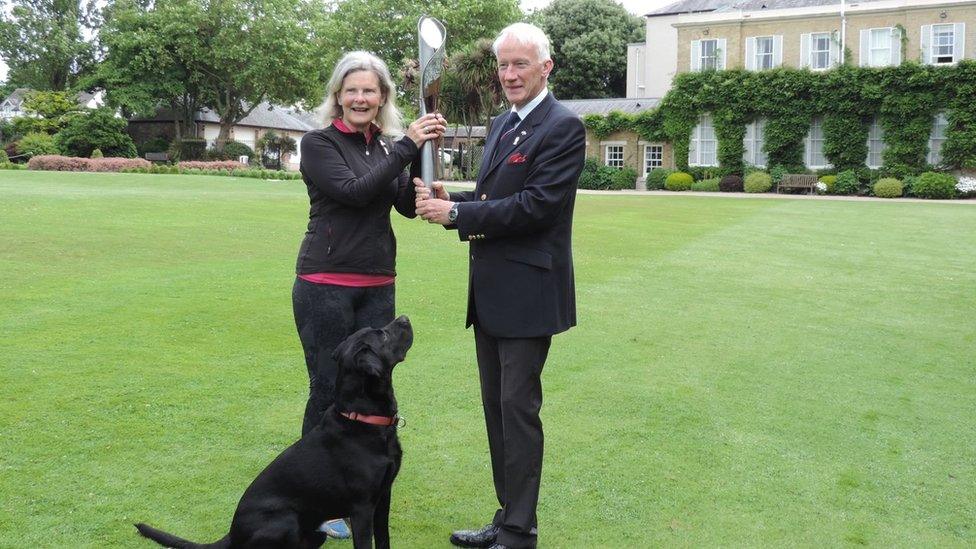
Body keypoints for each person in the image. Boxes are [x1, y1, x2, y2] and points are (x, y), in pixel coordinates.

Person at [414, 23, 586, 549]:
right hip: (490, 294)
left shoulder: (563, 127)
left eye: (520, 65)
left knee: (517, 409)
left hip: (529, 295)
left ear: (545, 68)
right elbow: (499, 193)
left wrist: (458, 212)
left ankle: (519, 531)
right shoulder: (503, 122)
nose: (509, 75)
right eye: (503, 65)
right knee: (496, 409)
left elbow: (537, 207)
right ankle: (507, 515)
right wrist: (458, 194)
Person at [293, 50, 445, 539]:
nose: (360, 98)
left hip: (378, 283)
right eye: (352, 90)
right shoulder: (318, 144)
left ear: (382, 99)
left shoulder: (383, 146)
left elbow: (398, 201)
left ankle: (365, 479)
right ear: (338, 96)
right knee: (329, 388)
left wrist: (427, 188)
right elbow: (355, 192)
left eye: (370, 91)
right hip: (326, 285)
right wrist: (406, 148)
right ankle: (315, 497)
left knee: (373, 385)